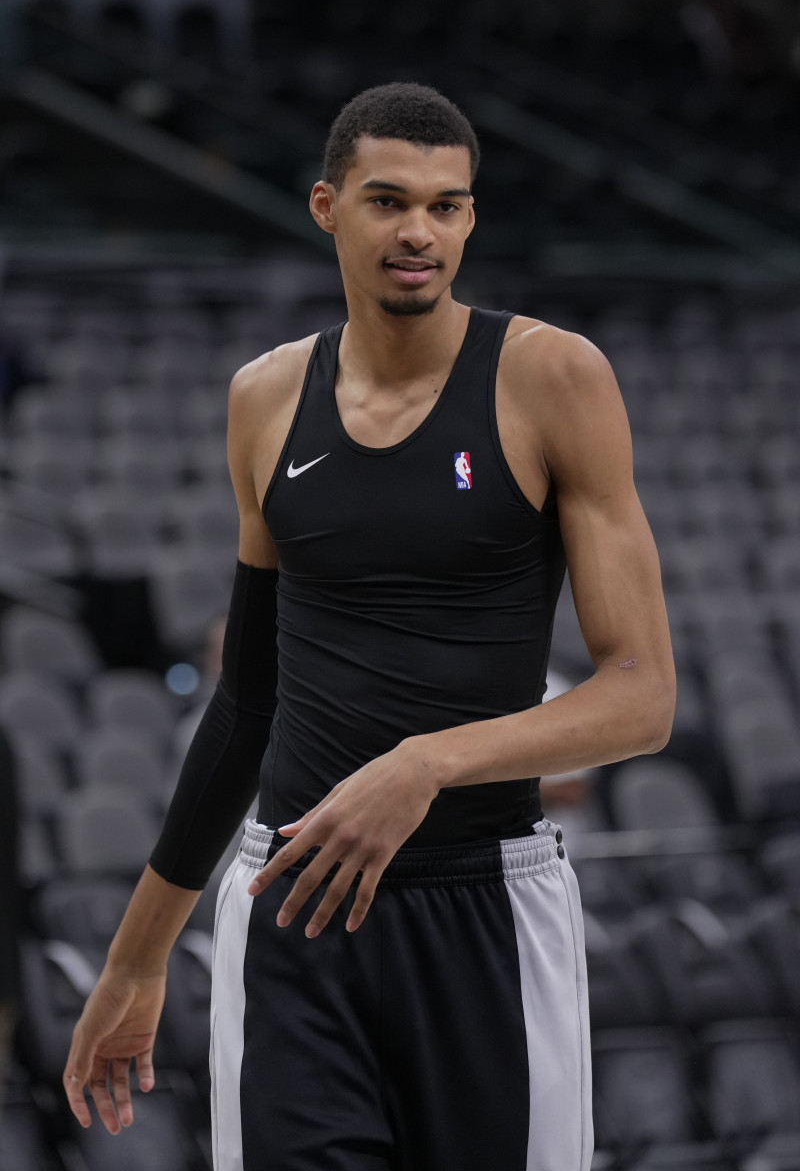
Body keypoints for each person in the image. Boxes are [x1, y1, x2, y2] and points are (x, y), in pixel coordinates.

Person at [63, 82, 675, 1171]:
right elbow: (246, 701)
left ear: (471, 220)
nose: (417, 233)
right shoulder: (263, 397)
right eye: (388, 201)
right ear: (325, 207)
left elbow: (639, 695)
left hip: (483, 904)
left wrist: (425, 765)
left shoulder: (551, 376)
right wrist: (137, 963)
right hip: (291, 912)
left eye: (446, 207)